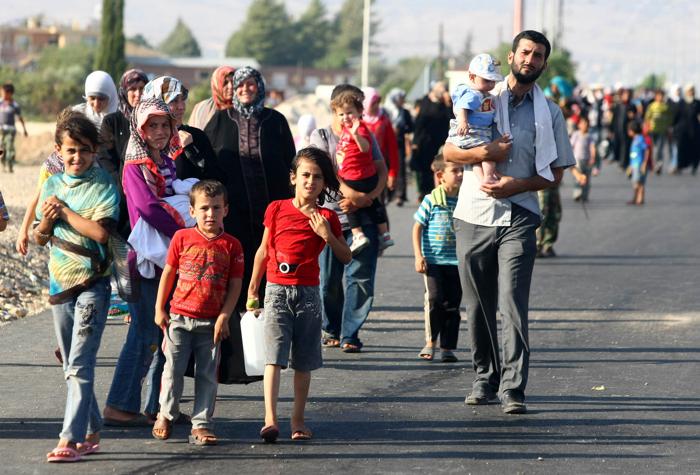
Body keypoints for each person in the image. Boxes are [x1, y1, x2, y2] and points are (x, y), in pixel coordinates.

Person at [443, 30, 575, 414]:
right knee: (478, 304)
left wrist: (515, 184)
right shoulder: (482, 98)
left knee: (512, 303)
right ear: (512, 55)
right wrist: (487, 151)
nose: (530, 60)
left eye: (538, 56)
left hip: (520, 215)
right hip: (473, 214)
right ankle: (485, 377)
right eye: (525, 52)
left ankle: (513, 388)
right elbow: (450, 150)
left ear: (544, 65)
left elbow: (555, 174)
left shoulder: (549, 113)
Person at [246, 147, 351, 443]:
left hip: (307, 294)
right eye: (305, 175)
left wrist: (326, 235)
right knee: (273, 358)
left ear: (323, 183)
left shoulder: (327, 216)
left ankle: (298, 419)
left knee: (303, 362)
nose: (311, 181)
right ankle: (269, 419)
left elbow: (346, 257)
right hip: (276, 291)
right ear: (293, 178)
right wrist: (253, 289)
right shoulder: (276, 208)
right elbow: (264, 251)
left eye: (317, 177)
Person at [34, 109, 119, 462]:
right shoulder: (51, 185)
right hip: (59, 285)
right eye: (70, 150)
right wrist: (46, 224)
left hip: (92, 284)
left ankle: (68, 439)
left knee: (81, 364)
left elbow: (101, 233)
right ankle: (93, 428)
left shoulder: (104, 185)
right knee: (71, 362)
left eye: (84, 150)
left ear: (94, 151)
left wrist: (65, 214)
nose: (77, 157)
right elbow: (41, 236)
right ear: (59, 150)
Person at [103, 97, 183, 426]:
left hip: (166, 259)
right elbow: (147, 209)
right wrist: (184, 230)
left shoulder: (167, 163)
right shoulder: (135, 167)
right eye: (153, 125)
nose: (160, 131)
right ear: (140, 128)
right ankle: (119, 405)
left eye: (165, 124)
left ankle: (158, 406)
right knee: (144, 331)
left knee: (167, 332)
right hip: (142, 261)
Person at [151, 180, 243, 446]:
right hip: (178, 318)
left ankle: (201, 424)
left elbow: (235, 284)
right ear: (192, 211)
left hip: (211, 323)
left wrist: (225, 316)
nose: (210, 214)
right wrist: (159, 308)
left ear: (226, 209)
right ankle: (166, 414)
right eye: (204, 208)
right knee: (173, 370)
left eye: (216, 208)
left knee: (207, 374)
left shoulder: (232, 246)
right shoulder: (182, 238)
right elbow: (168, 273)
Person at [203, 66, 296, 311]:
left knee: (273, 262)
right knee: (237, 265)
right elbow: (206, 162)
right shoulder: (220, 120)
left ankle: (273, 319)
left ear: (260, 86)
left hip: (273, 211)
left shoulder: (275, 121)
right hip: (234, 213)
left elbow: (291, 162)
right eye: (240, 84)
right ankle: (236, 323)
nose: (245, 89)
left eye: (251, 83)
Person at [310, 83, 388, 353]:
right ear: (334, 109)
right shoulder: (321, 136)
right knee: (329, 281)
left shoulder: (366, 135)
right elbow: (324, 171)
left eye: (354, 111)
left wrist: (370, 196)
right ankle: (331, 327)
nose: (349, 117)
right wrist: (352, 195)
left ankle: (350, 334)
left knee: (361, 279)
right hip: (330, 219)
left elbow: (380, 168)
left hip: (365, 216)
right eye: (344, 111)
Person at [412, 154, 463, 363]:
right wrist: (418, 255)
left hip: (458, 262)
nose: (460, 174)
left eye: (462, 170)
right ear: (441, 175)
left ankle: (447, 347)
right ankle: (431, 342)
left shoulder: (465, 200)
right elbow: (417, 227)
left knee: (453, 304)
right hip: (432, 262)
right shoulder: (431, 199)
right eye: (455, 171)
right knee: (434, 300)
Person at [331, 90, 393, 254]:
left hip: (357, 177)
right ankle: (385, 234)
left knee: (349, 208)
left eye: (349, 113)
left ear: (359, 112)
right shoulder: (347, 130)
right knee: (374, 205)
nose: (346, 117)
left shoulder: (360, 129)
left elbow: (365, 149)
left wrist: (356, 135)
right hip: (356, 175)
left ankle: (358, 235)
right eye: (341, 114)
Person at [99, 69, 148, 237]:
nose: (138, 94)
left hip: (149, 193)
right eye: (132, 89)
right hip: (120, 195)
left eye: (142, 88)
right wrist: (124, 186)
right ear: (123, 92)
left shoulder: (154, 121)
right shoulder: (112, 122)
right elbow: (106, 158)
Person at [141, 76, 217, 181]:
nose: (181, 106)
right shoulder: (140, 140)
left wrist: (192, 151)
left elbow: (217, 178)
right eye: (173, 100)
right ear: (156, 103)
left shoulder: (196, 136)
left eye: (183, 99)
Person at [447, 53, 504, 185]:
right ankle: (489, 175)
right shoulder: (474, 94)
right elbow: (461, 107)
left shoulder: (484, 94)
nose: (490, 84)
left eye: (493, 81)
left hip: (475, 133)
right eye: (486, 80)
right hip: (474, 132)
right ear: (472, 77)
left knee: (476, 160)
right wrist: (463, 122)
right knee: (488, 154)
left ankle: (482, 180)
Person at [412, 81, 453, 202]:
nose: (442, 90)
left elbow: (452, 119)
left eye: (444, 88)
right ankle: (425, 194)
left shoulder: (446, 104)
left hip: (440, 142)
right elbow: (419, 122)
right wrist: (415, 142)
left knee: (439, 167)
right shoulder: (426, 101)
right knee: (425, 169)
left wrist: (448, 104)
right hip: (425, 142)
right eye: (440, 88)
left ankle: (438, 192)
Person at [362, 88, 400, 200]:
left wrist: (393, 173)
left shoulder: (384, 122)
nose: (376, 106)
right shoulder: (357, 122)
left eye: (378, 103)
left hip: (379, 171)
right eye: (373, 103)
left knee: (378, 207)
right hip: (360, 172)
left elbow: (393, 149)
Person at [383, 88, 414, 206]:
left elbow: (411, 127)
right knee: (386, 168)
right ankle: (386, 194)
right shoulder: (386, 111)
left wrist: (401, 129)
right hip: (386, 144)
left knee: (400, 168)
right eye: (401, 98)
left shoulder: (404, 112)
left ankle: (400, 195)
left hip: (399, 143)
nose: (403, 100)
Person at [188, 66, 235, 130]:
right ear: (216, 84)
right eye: (225, 83)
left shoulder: (244, 109)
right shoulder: (202, 108)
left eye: (233, 82)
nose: (231, 86)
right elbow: (192, 135)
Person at [0, 83, 28, 173]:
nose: (2, 94)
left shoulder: (14, 105)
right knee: (2, 148)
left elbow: (20, 118)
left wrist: (24, 129)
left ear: (10, 94)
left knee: (10, 147)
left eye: (3, 93)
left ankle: (10, 165)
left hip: (10, 130)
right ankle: (3, 164)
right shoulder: (0, 103)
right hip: (1, 130)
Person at [644, 89, 673, 175]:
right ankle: (652, 164)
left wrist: (668, 128)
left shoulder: (666, 107)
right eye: (658, 96)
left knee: (660, 148)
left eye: (662, 96)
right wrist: (647, 127)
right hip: (652, 130)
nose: (660, 97)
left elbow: (669, 119)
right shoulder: (652, 106)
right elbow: (647, 118)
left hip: (662, 130)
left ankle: (659, 164)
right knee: (653, 148)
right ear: (656, 96)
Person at [674, 84, 700, 175]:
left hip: (694, 130)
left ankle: (694, 166)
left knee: (695, 149)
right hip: (682, 130)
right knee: (681, 148)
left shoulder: (697, 102)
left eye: (692, 90)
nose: (691, 92)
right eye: (689, 91)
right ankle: (680, 166)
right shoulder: (681, 103)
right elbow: (676, 116)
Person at [569, 115, 596, 202]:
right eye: (582, 123)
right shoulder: (576, 134)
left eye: (586, 124)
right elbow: (571, 146)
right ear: (579, 125)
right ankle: (577, 193)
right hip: (577, 159)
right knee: (578, 177)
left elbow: (592, 147)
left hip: (587, 160)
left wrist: (592, 157)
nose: (584, 125)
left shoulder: (589, 136)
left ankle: (584, 195)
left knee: (586, 178)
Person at [627, 120, 651, 206]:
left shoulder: (640, 139)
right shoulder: (635, 139)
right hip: (634, 164)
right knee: (637, 182)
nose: (628, 132)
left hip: (640, 164)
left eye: (629, 130)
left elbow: (647, 150)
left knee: (639, 182)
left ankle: (640, 198)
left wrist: (645, 163)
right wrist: (630, 166)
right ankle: (636, 198)